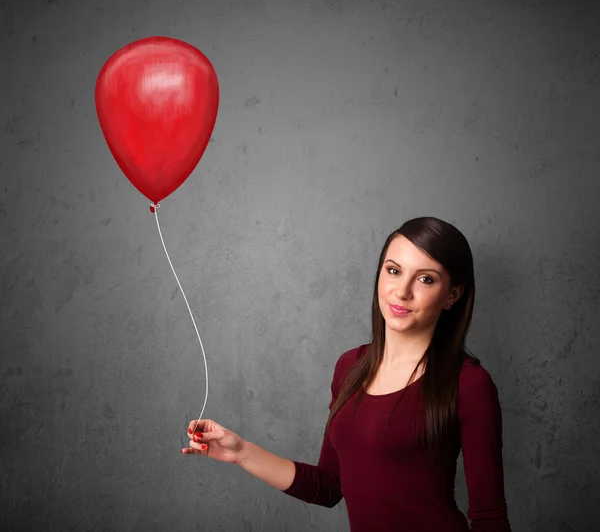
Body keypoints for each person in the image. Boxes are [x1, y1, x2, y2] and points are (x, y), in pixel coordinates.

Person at [181, 216, 512, 531]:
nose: (402, 291)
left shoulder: (469, 384)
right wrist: (241, 452)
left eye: (425, 278)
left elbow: (489, 520)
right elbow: (329, 486)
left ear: (452, 295)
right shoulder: (350, 367)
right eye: (394, 271)